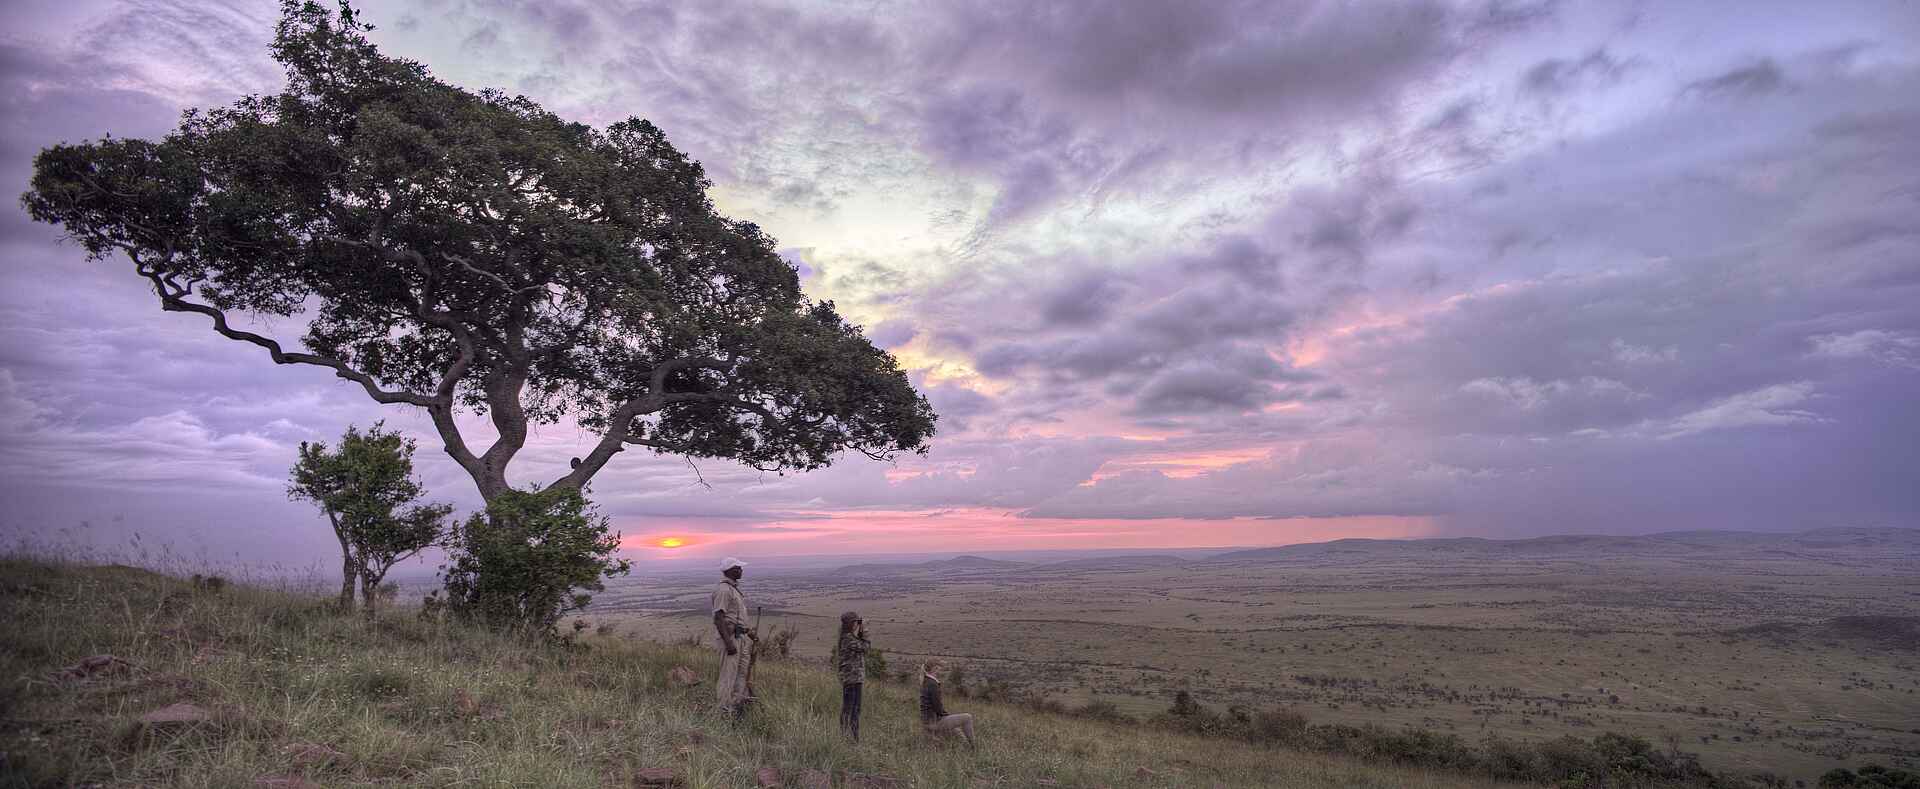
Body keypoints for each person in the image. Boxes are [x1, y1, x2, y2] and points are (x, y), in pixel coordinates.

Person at [710, 557, 755, 718]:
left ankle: (735, 707)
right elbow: (719, 617)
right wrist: (729, 644)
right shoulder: (724, 590)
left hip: (740, 638)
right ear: (729, 570)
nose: (741, 570)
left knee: (741, 674)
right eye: (738, 568)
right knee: (728, 675)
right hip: (730, 639)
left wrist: (749, 633)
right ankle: (723, 711)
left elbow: (736, 617)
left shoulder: (733, 589)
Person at [919, 659, 976, 747]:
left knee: (957, 731)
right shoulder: (933, 684)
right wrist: (946, 715)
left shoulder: (926, 681)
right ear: (935, 668)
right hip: (934, 722)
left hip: (927, 721)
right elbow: (937, 707)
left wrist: (946, 715)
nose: (941, 669)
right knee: (967, 717)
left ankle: (966, 747)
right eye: (939, 667)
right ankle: (974, 747)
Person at [833, 611, 870, 741]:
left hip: (854, 678)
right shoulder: (848, 639)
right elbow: (865, 647)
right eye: (856, 622)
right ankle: (850, 738)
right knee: (851, 710)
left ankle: (850, 736)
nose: (857, 624)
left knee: (854, 709)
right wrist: (864, 631)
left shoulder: (848, 637)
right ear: (850, 624)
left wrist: (859, 632)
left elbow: (861, 646)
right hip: (851, 679)